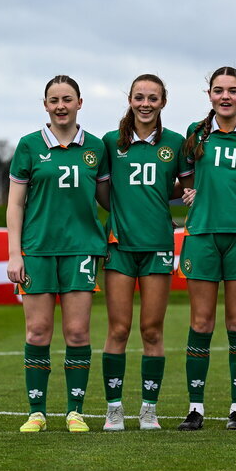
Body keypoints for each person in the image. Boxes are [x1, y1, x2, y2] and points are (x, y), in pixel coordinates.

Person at [8, 75, 110, 433]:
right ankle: (37, 412)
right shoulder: (29, 146)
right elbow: (15, 204)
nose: (61, 106)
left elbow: (109, 199)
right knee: (37, 332)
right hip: (36, 250)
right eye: (54, 100)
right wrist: (14, 253)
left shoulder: (96, 147)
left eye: (67, 99)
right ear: (45, 105)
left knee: (78, 333)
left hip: (82, 249)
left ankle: (75, 412)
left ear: (80, 103)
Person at [177, 66, 236, 431]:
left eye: (233, 90)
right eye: (218, 90)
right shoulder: (195, 133)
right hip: (202, 235)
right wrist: (193, 193)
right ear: (209, 95)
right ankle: (195, 408)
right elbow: (186, 181)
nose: (225, 96)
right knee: (201, 322)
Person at [100, 74, 187, 431]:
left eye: (153, 98)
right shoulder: (109, 143)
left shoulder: (176, 142)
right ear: (130, 100)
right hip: (120, 246)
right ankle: (114, 408)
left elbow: (185, 187)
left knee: (152, 330)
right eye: (139, 97)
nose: (146, 104)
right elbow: (103, 193)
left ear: (163, 102)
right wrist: (122, 216)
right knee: (118, 329)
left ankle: (148, 409)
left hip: (158, 246)